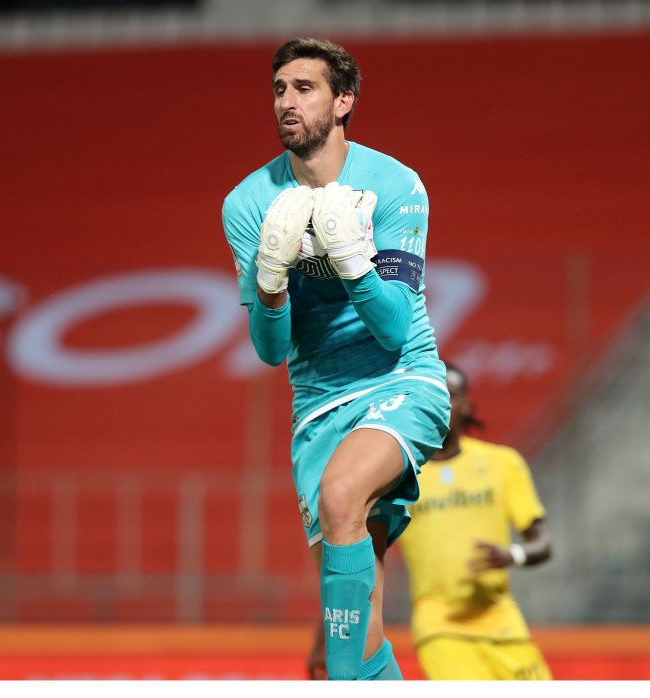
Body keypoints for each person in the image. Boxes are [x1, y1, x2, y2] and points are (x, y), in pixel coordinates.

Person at [222, 37, 451, 681]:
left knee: (342, 492)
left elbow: (393, 326)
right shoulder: (247, 204)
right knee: (359, 629)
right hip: (318, 404)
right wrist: (272, 282)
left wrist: (353, 261)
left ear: (344, 101)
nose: (286, 102)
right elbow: (270, 351)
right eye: (279, 90)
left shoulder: (396, 186)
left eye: (305, 88)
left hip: (400, 377)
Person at [396, 362, 553, 680]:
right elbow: (362, 550)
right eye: (432, 394)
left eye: (449, 395)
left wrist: (513, 554)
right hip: (439, 626)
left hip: (503, 622)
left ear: (466, 405)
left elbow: (543, 542)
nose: (440, 404)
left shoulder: (503, 463)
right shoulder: (400, 476)